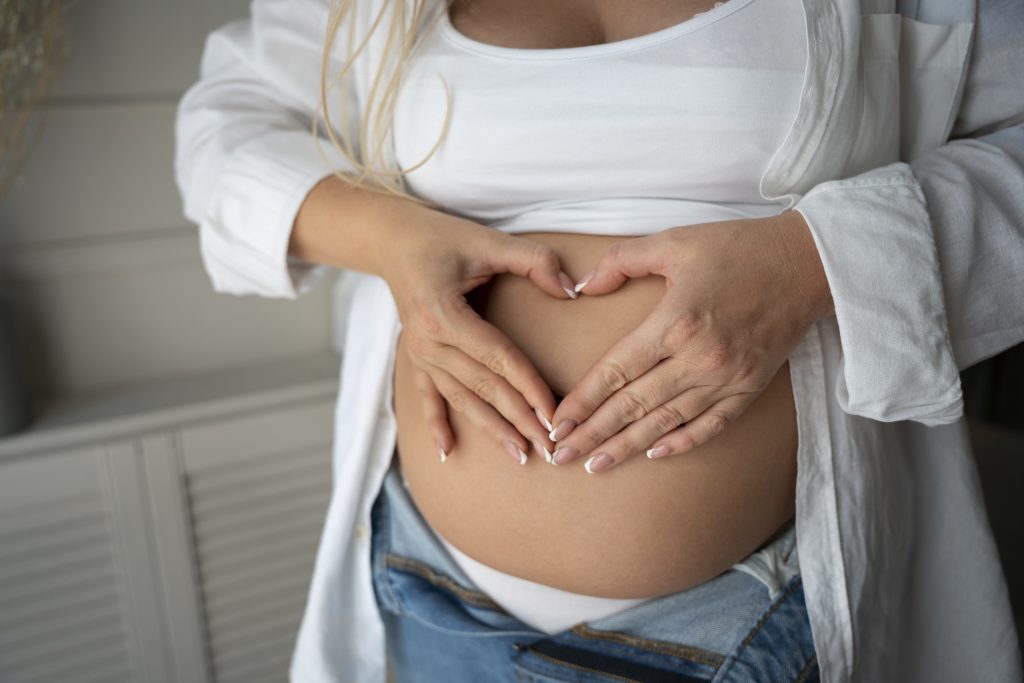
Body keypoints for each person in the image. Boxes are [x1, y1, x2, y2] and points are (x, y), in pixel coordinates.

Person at [173, 0, 1024, 681]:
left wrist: (808, 262)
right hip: (437, 590)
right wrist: (392, 242)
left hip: (747, 619)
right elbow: (223, 131)